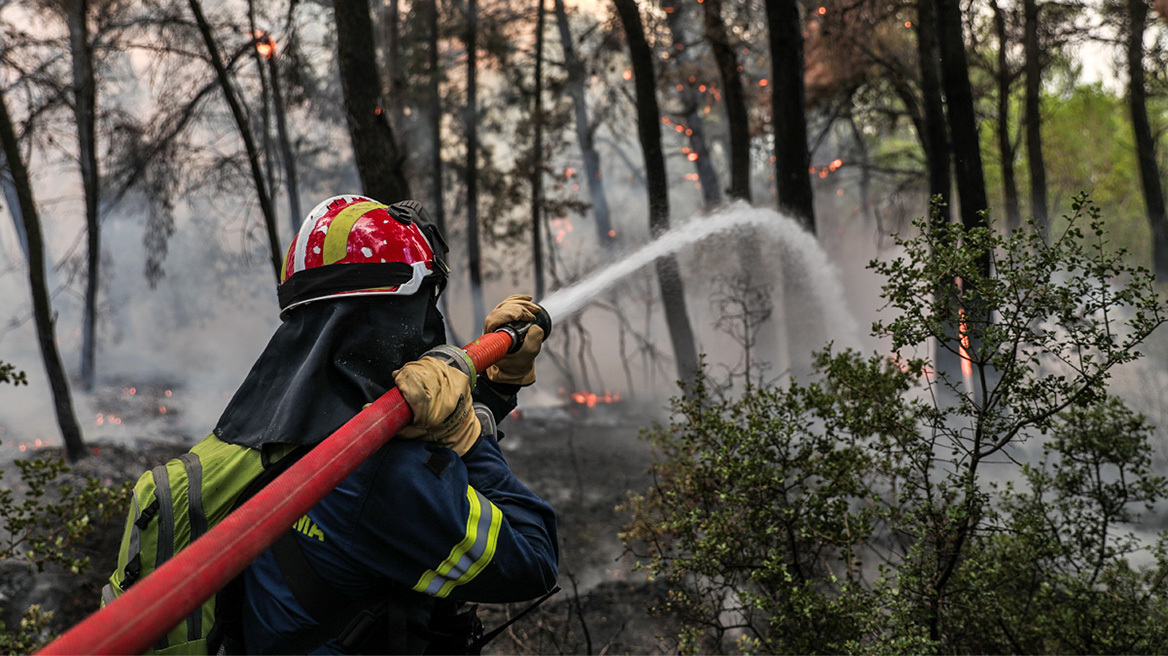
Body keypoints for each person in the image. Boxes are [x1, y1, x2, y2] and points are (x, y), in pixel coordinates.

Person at [212, 195, 558, 653]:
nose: (429, 326)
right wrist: (469, 439)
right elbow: (533, 558)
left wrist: (492, 392)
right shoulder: (380, 475)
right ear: (393, 317)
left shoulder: (260, 432)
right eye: (421, 308)